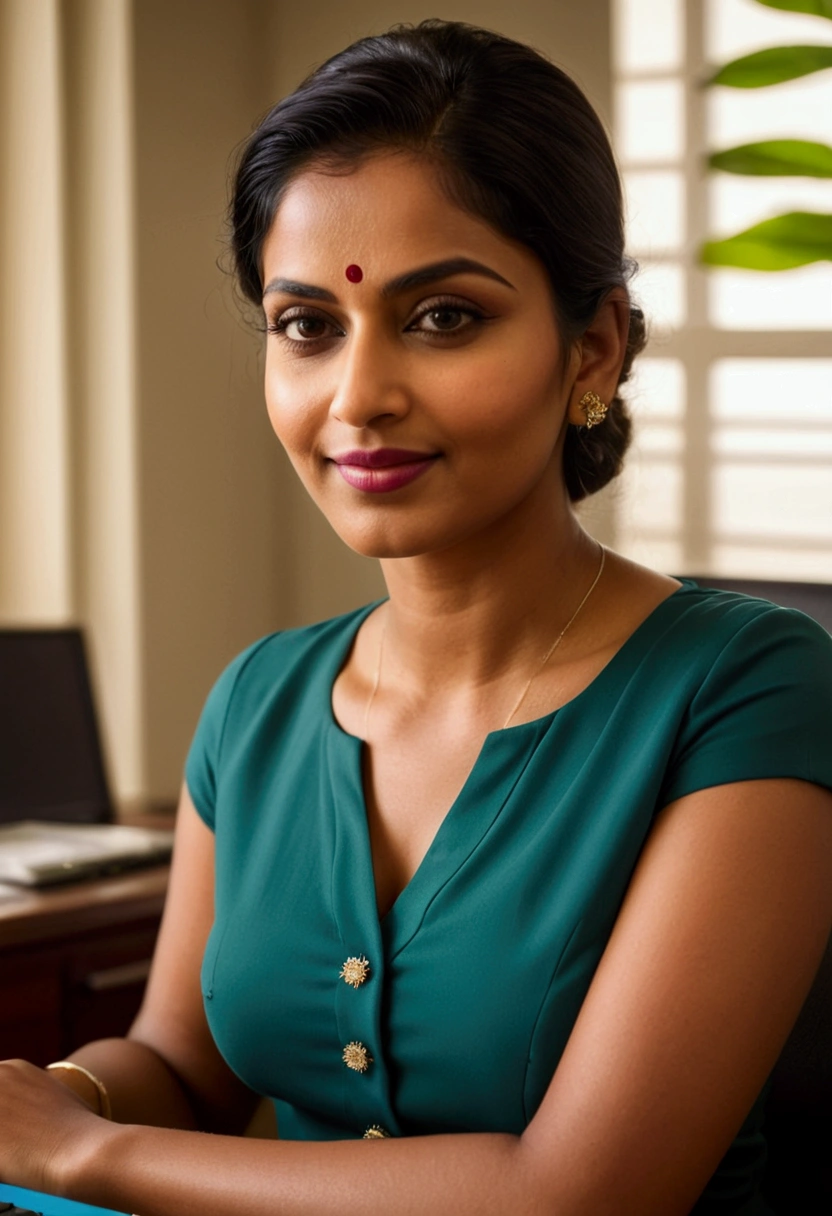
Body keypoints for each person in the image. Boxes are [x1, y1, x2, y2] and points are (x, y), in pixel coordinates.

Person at [1, 18, 831, 1216]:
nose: (358, 396)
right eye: (307, 325)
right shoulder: (258, 701)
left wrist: (83, 1155)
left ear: (590, 348)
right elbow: (183, 1067)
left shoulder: (747, 688)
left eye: (442, 316)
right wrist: (58, 1092)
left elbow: (580, 1194)